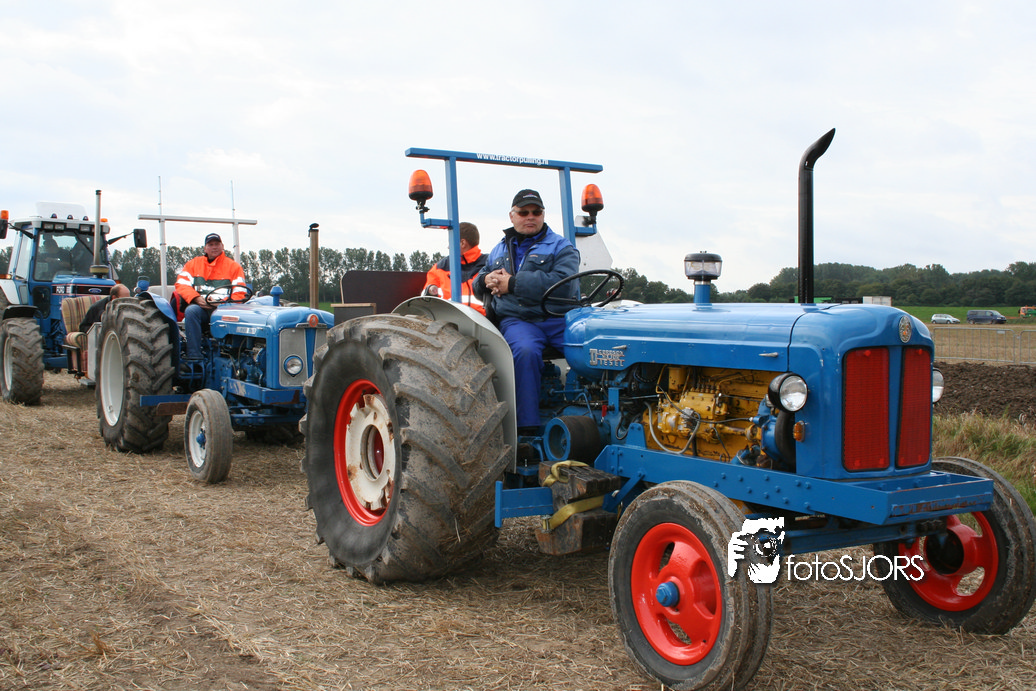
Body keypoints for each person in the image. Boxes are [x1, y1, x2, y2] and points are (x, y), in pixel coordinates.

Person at [473, 189, 580, 434]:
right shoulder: (498, 250)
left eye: (536, 212)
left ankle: (596, 408)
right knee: (525, 350)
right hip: (519, 319)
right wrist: (485, 279)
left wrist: (512, 283)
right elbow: (479, 281)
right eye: (523, 212)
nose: (530, 216)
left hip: (558, 318)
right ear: (512, 216)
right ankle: (527, 430)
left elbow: (564, 285)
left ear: (543, 215)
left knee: (593, 349)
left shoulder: (561, 246)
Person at [174, 232, 247, 361]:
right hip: (201, 309)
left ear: (222, 246)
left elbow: (239, 292)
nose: (214, 247)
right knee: (191, 311)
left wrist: (222, 304)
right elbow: (182, 285)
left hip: (224, 310)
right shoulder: (193, 264)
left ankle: (238, 354)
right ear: (205, 248)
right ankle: (194, 357)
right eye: (211, 244)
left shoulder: (234, 267)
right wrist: (197, 299)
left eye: (217, 244)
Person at [422, 222, 487, 315]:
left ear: (462, 243)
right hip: (448, 320)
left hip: (484, 321)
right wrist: (430, 290)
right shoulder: (440, 267)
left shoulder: (489, 265)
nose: (448, 247)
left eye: (450, 242)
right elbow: (426, 298)